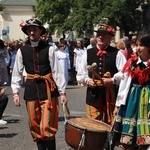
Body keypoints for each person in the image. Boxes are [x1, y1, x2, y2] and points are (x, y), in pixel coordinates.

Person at [11, 18, 67, 150]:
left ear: (40, 31)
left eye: (34, 29)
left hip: (48, 90)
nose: (32, 32)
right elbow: (16, 73)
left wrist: (62, 92)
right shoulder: (22, 50)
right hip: (31, 90)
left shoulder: (49, 49)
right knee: (34, 124)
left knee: (47, 125)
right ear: (27, 32)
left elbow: (57, 71)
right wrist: (15, 92)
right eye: (29, 29)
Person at [76, 24, 126, 124]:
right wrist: (87, 80)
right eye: (99, 34)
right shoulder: (88, 53)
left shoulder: (117, 53)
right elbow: (81, 74)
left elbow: (125, 74)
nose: (100, 37)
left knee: (111, 124)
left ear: (110, 37)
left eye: (104, 34)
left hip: (111, 95)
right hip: (93, 95)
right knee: (93, 125)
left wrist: (112, 80)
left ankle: (109, 140)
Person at [112, 33, 150, 150]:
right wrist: (118, 105)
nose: (138, 48)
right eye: (137, 45)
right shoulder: (132, 63)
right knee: (129, 137)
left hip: (146, 101)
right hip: (131, 100)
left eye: (141, 45)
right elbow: (123, 83)